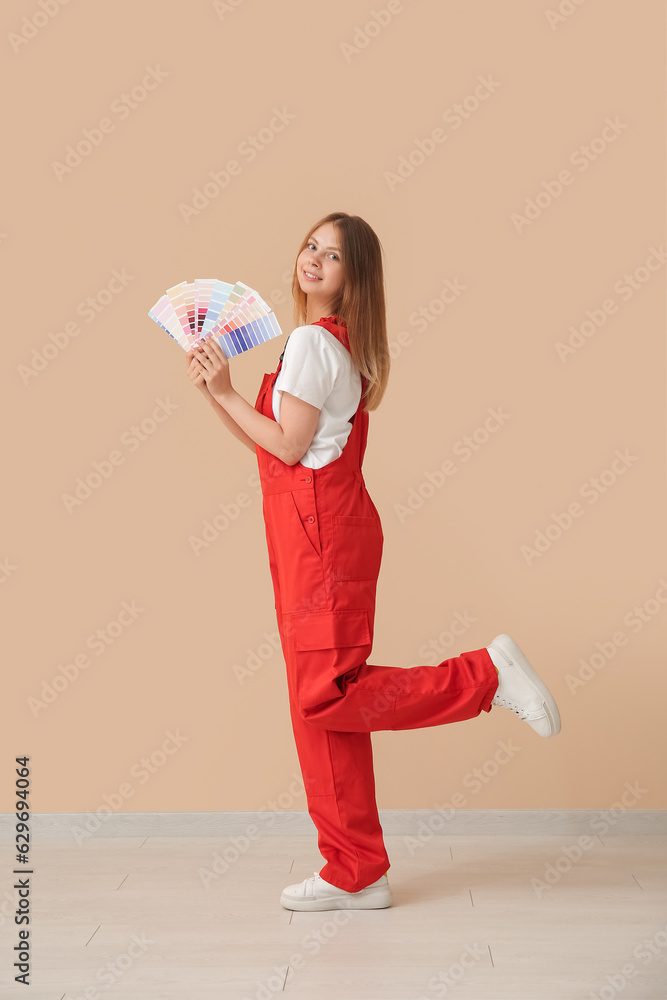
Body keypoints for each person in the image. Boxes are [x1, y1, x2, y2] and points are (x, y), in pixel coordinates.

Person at [185, 212, 561, 913]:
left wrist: (229, 391)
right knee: (322, 710)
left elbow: (288, 448)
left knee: (322, 697)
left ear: (353, 277)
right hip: (318, 536)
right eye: (310, 245)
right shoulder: (332, 345)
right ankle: (354, 867)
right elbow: (277, 446)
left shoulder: (308, 343)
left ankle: (482, 674)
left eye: (333, 255)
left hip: (320, 542)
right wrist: (220, 394)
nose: (315, 260)